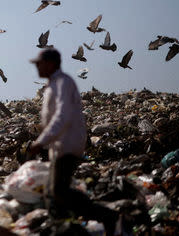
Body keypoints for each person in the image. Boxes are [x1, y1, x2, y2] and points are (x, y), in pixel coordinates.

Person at [29, 49, 118, 235]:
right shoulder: (53, 84)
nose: (37, 67)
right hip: (59, 146)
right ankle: (64, 227)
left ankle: (107, 216)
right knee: (53, 193)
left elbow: (63, 115)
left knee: (58, 192)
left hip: (68, 144)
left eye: (40, 63)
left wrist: (40, 141)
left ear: (51, 64)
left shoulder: (63, 82)